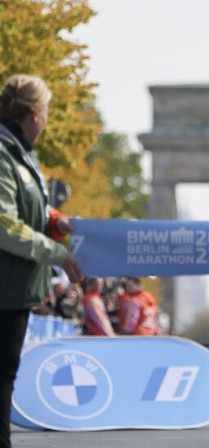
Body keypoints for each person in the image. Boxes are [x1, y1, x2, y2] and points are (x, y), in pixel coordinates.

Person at [0, 74, 83, 448]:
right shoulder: (4, 152)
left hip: (13, 288)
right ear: (35, 113)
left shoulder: (21, 153)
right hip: (4, 287)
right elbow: (4, 225)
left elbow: (26, 209)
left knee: (4, 377)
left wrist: (54, 221)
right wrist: (59, 254)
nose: (48, 118)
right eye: (47, 110)